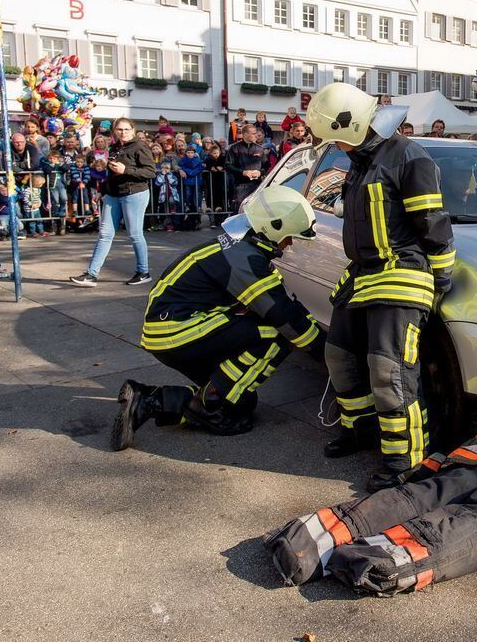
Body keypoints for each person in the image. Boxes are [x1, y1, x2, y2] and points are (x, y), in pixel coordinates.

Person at [305, 83, 456, 493]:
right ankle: (360, 431)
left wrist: (440, 277)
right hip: (362, 274)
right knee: (338, 355)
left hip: (402, 273)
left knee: (390, 372)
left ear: (350, 126)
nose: (328, 144)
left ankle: (404, 461)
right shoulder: (358, 158)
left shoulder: (407, 156)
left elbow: (433, 225)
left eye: (331, 135)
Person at [110, 185, 323, 449]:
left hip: (172, 330)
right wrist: (326, 350)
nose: (289, 244)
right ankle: (207, 403)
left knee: (243, 403)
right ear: (273, 228)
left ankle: (149, 401)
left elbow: (282, 300)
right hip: (180, 330)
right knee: (276, 336)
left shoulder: (240, 246)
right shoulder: (244, 258)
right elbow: (283, 316)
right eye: (289, 237)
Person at [69, 118, 155, 287]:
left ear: (132, 129)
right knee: (105, 233)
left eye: (126, 129)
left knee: (135, 234)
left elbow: (150, 172)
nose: (123, 133)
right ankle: (91, 274)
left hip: (135, 193)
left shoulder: (140, 146)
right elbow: (111, 173)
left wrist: (126, 170)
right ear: (115, 131)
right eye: (120, 130)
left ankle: (143, 272)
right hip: (113, 194)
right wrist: (102, 191)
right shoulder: (115, 147)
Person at [226, 124, 268, 208]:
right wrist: (243, 172)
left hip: (257, 185)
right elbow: (228, 166)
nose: (256, 135)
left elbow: (267, 166)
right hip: (241, 185)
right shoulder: (234, 148)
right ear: (245, 135)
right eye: (253, 133)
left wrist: (260, 172)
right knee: (242, 210)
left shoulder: (260, 149)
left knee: (257, 209)